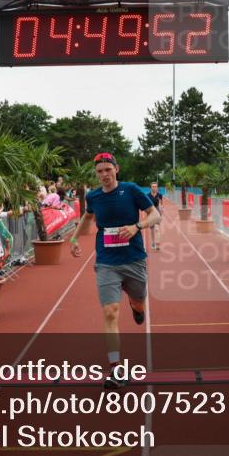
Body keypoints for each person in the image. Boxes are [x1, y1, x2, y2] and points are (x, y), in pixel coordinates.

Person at [69, 152, 160, 389]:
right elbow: (87, 218)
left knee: (139, 300)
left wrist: (137, 226)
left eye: (108, 170)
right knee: (110, 312)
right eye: (100, 172)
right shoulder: (94, 196)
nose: (104, 175)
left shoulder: (130, 190)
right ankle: (116, 369)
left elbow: (155, 215)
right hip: (106, 261)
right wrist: (75, 239)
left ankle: (136, 305)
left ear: (116, 170)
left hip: (134, 259)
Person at [147, 182, 163, 251]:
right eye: (153, 186)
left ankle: (157, 244)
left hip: (157, 212)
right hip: (150, 212)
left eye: (155, 186)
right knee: (152, 229)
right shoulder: (147, 195)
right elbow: (146, 205)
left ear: (157, 187)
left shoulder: (159, 195)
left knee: (157, 228)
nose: (154, 188)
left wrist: (161, 210)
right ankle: (153, 242)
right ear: (150, 187)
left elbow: (161, 204)